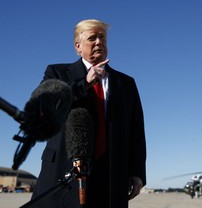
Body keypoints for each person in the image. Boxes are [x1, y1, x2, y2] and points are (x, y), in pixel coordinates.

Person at [30, 19, 146, 208]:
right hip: (65, 170)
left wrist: (137, 172)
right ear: (78, 47)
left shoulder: (126, 83)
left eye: (102, 38)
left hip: (111, 173)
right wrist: (84, 83)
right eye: (92, 38)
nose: (99, 42)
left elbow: (136, 130)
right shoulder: (57, 72)